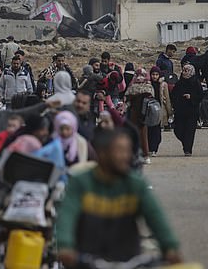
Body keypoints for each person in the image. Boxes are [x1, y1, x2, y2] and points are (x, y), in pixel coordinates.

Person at [56, 128, 182, 267]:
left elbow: (155, 216)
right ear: (102, 154)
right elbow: (67, 215)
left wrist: (170, 246)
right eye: (119, 151)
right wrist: (65, 246)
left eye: (127, 151)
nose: (126, 156)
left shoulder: (135, 184)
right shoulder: (81, 183)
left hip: (129, 259)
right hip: (87, 259)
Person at [171, 64, 203, 156]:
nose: (184, 72)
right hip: (180, 111)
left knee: (190, 131)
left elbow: (200, 95)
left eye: (187, 71)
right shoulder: (179, 83)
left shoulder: (195, 82)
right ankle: (186, 143)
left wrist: (191, 97)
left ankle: (188, 149)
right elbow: (173, 95)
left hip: (192, 111)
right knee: (178, 130)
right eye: (183, 70)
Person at [125, 68, 155, 164]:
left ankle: (142, 155)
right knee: (140, 135)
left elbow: (127, 97)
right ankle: (141, 155)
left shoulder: (133, 87)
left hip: (138, 114)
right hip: (140, 114)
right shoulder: (148, 86)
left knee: (139, 135)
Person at [149, 66, 172, 156]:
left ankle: (154, 149)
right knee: (149, 131)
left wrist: (169, 112)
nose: (154, 76)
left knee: (157, 132)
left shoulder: (163, 85)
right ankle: (150, 149)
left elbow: (167, 99)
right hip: (150, 111)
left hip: (159, 111)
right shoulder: (148, 85)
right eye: (153, 74)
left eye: (156, 74)